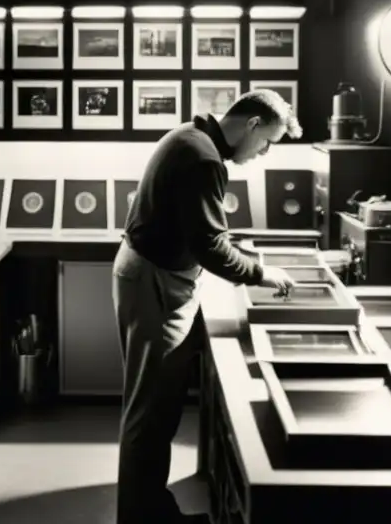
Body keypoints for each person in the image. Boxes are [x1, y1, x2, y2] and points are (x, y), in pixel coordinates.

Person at [113, 89, 302, 524]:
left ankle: (151, 510)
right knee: (151, 412)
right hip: (155, 281)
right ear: (252, 124)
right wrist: (261, 273)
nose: (264, 152)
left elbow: (203, 234)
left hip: (153, 274)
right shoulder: (204, 159)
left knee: (156, 406)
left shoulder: (192, 136)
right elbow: (211, 246)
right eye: (267, 142)